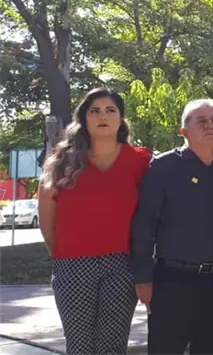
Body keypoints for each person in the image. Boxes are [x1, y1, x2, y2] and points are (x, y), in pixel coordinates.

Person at [37, 88, 151, 355]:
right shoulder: (63, 161)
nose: (103, 116)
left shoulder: (140, 161)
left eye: (110, 110)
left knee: (112, 346)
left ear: (121, 119)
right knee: (79, 346)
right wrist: (65, 257)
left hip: (121, 267)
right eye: (94, 111)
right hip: (72, 267)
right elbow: (47, 220)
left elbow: (151, 215)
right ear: (84, 118)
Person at [131, 99, 213, 355]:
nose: (210, 125)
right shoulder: (163, 166)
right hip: (171, 281)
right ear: (184, 131)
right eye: (201, 121)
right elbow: (145, 224)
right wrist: (143, 277)